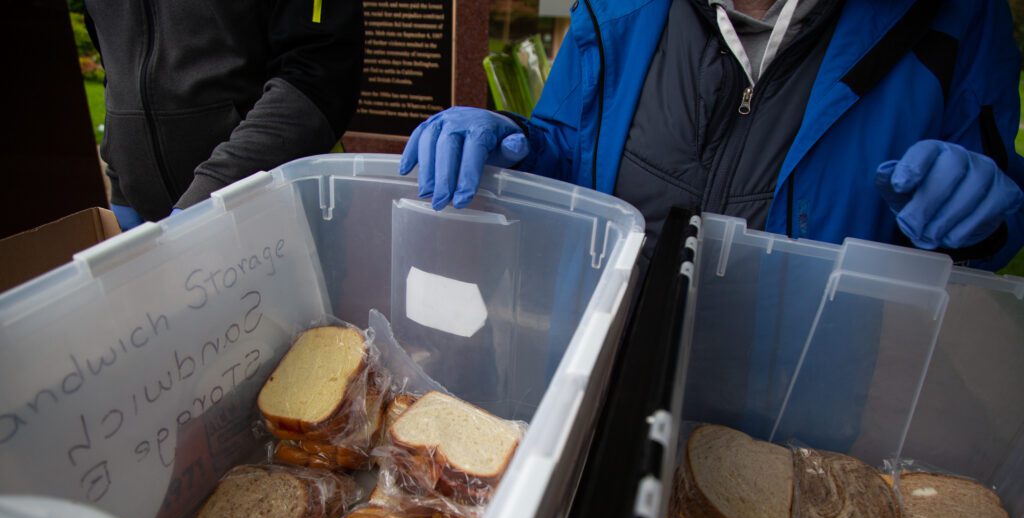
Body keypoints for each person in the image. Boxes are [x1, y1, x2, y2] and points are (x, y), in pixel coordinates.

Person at [399, 0, 1024, 271]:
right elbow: (570, 148)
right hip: (609, 376)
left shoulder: (952, 17)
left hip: (812, 415)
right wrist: (511, 142)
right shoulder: (618, 9)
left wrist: (981, 218)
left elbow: (992, 224)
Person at [83, 0, 363, 229]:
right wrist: (121, 176)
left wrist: (212, 194)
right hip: (153, 224)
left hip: (275, 221)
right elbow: (119, 61)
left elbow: (318, 74)